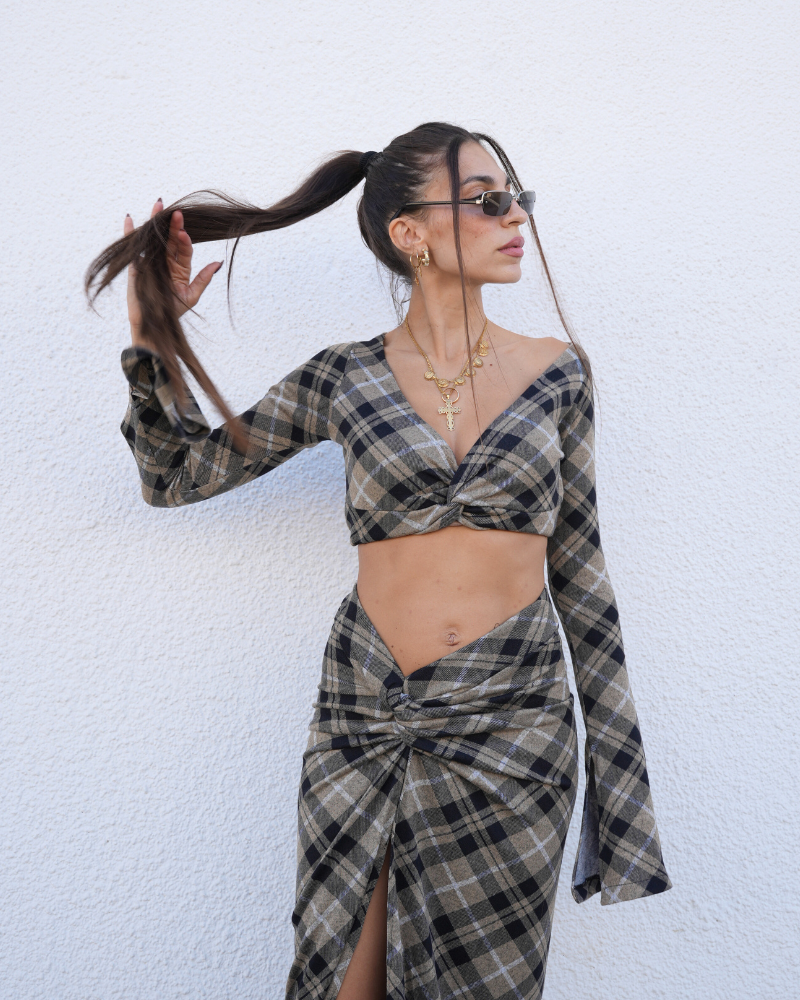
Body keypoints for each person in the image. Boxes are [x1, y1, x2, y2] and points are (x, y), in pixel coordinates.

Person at [87, 122, 672, 1000]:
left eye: (517, 198)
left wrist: (619, 791)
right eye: (487, 200)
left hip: (514, 733)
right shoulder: (344, 378)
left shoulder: (560, 374)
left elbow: (582, 580)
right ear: (410, 233)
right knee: (340, 980)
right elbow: (174, 476)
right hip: (364, 719)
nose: (516, 217)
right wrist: (154, 333)